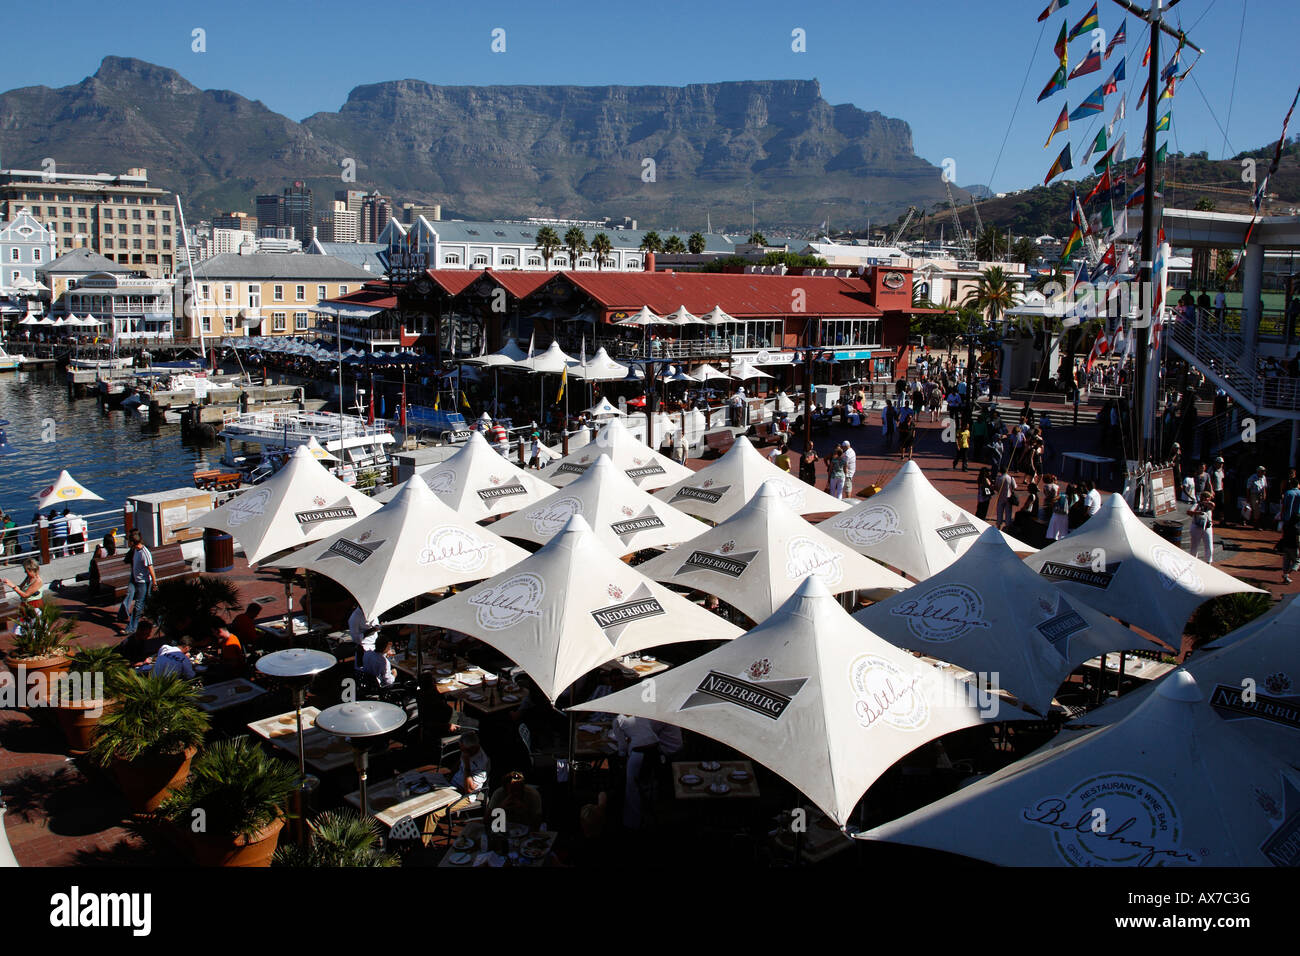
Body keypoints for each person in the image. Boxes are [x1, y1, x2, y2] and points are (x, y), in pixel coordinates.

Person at [125, 529, 156, 638]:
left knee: (138, 605)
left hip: (144, 582)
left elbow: (150, 568)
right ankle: (156, 619)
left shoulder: (144, 552)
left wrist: (154, 583)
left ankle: (132, 627)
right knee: (146, 603)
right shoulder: (135, 551)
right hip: (137, 580)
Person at [450, 730, 490, 797]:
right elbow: (459, 763)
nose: (462, 752)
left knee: (441, 806)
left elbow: (469, 790)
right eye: (461, 749)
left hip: (464, 794)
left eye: (464, 750)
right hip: (452, 785)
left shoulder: (482, 763)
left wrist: (467, 764)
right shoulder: (466, 750)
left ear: (473, 748)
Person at [1280, 476, 1300, 584]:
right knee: (1296, 559)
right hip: (1297, 521)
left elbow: (1284, 507)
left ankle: (1285, 575)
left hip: (1288, 521)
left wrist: (1282, 517)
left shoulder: (1288, 493)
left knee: (1286, 558)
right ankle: (1287, 574)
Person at [1189, 490, 1215, 564]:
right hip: (1196, 526)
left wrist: (1205, 503)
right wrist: (1197, 512)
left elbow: (1212, 505)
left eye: (1209, 498)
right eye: (1207, 498)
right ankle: (1193, 561)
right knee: (1194, 545)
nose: (1209, 499)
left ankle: (1208, 562)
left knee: (1209, 545)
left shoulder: (1209, 505)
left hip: (1207, 527)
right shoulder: (1196, 504)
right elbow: (1189, 512)